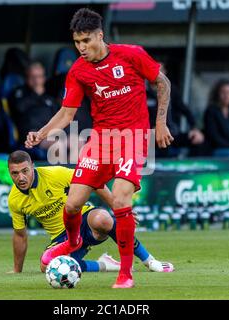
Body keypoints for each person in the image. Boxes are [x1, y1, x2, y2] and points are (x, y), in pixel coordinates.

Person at [25, 8, 173, 288]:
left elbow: (161, 81)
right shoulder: (78, 71)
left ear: (100, 36)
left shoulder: (131, 55)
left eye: (86, 41)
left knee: (119, 200)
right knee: (72, 205)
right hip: (101, 140)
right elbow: (66, 114)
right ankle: (74, 240)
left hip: (133, 138)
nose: (81, 48)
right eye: (77, 42)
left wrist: (161, 123)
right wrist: (41, 133)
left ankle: (125, 273)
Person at [6, 150, 174, 274]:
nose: (21, 177)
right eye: (15, 173)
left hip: (85, 222)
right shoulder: (14, 200)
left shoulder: (55, 174)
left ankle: (149, 261)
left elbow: (92, 181)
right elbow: (20, 235)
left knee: (103, 219)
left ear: (32, 167)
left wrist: (117, 207)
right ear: (10, 173)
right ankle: (106, 265)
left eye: (24, 171)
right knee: (47, 266)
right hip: (62, 238)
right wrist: (16, 270)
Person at [147, 62, 205, 158]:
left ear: (165, 72)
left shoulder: (172, 90)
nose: (158, 74)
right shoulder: (143, 92)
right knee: (161, 140)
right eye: (155, 70)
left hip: (173, 133)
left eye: (161, 71)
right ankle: (162, 171)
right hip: (152, 134)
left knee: (197, 140)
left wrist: (195, 128)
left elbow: (185, 110)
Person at [9, 62, 60, 159]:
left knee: (77, 142)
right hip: (31, 135)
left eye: (39, 76)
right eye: (33, 77)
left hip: (50, 133)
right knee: (60, 144)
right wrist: (36, 94)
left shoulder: (49, 98)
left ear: (44, 78)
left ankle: (73, 173)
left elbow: (59, 116)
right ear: (26, 78)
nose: (36, 80)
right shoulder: (19, 93)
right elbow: (19, 108)